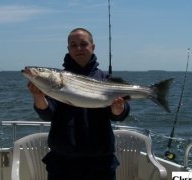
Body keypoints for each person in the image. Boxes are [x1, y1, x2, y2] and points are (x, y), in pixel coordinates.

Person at [27, 28, 130, 180]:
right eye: (74, 45)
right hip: (62, 164)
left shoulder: (106, 79)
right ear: (68, 49)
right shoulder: (56, 81)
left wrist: (118, 109)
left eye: (83, 44)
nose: (79, 48)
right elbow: (48, 113)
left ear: (93, 47)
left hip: (101, 164)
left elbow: (119, 115)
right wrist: (38, 96)